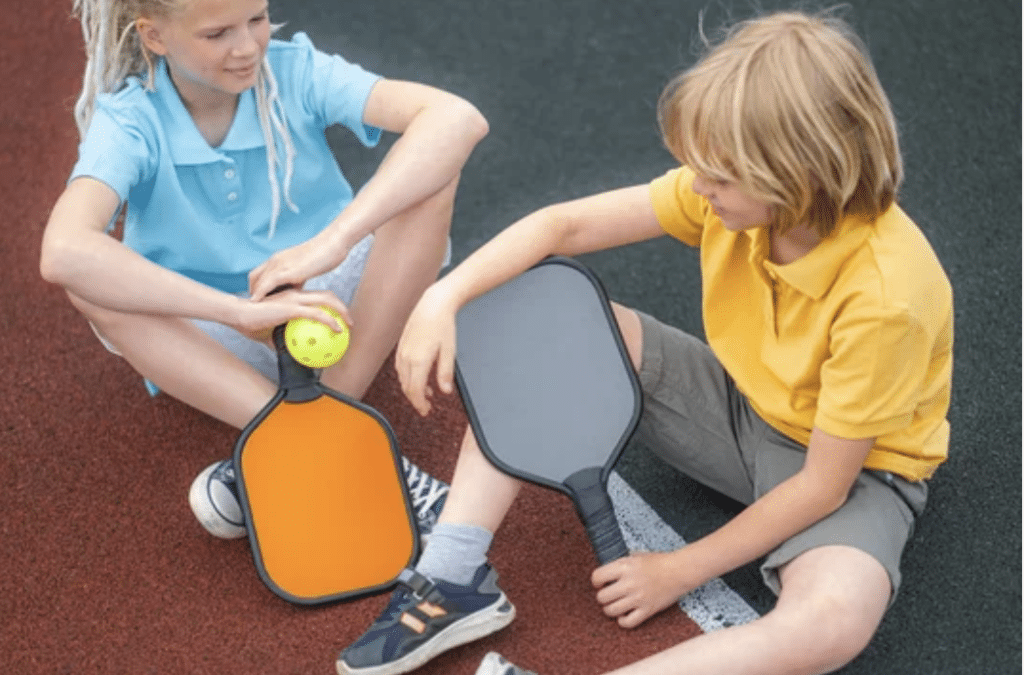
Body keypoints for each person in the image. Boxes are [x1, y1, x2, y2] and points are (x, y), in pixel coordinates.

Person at [336, 9, 953, 675]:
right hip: (745, 409)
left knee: (831, 622)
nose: (698, 183)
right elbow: (563, 225)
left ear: (795, 174)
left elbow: (821, 488)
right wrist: (443, 295)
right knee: (534, 306)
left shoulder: (887, 298)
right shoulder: (731, 195)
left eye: (718, 174)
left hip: (856, 473)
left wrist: (675, 570)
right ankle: (453, 573)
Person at [39, 0, 489, 539]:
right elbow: (62, 250)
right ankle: (335, 442)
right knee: (94, 291)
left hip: (333, 300)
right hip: (214, 332)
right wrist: (234, 312)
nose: (248, 46)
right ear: (154, 37)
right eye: (217, 34)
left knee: (434, 174)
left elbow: (457, 118)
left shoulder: (294, 71)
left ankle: (312, 427)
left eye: (256, 19)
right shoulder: (131, 120)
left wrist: (333, 242)